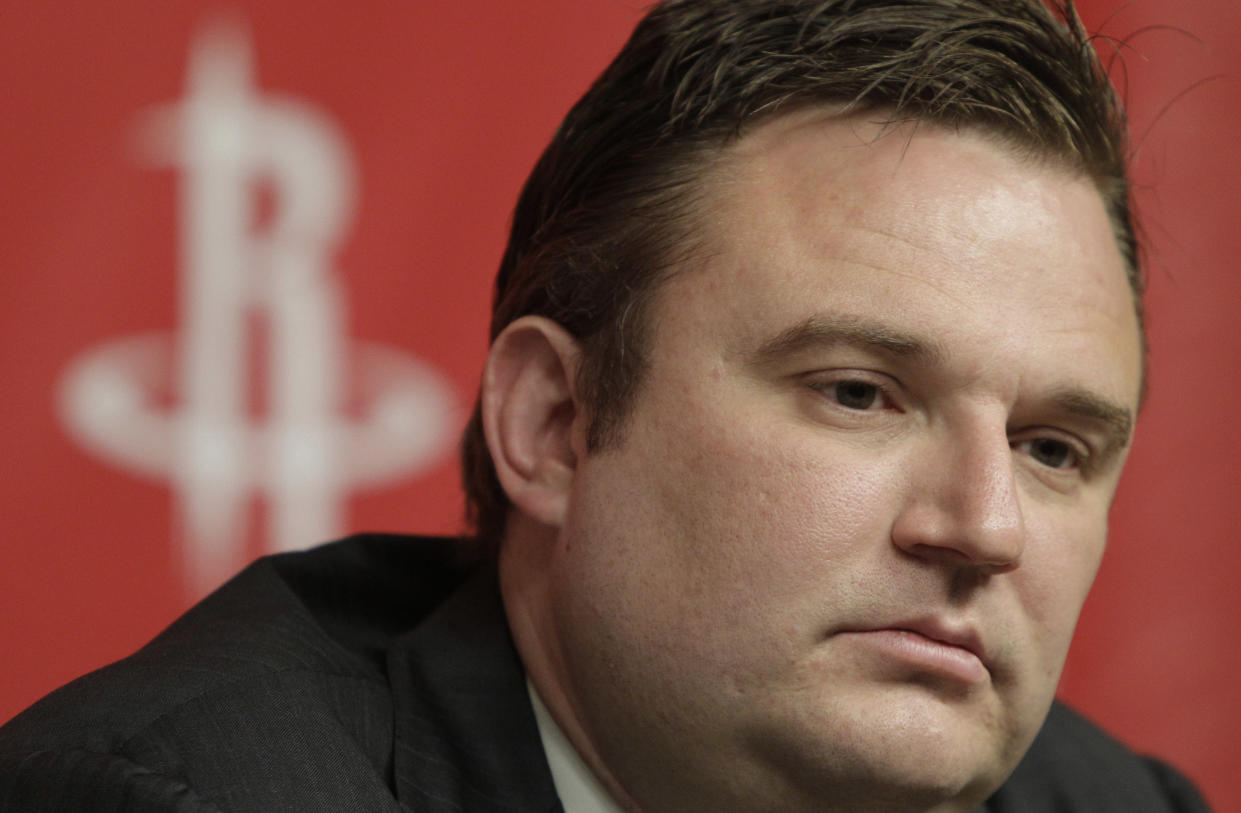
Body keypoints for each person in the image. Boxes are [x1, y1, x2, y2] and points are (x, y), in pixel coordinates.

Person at [0, 0, 1212, 810]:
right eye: (858, 392)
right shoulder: (190, 793)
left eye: (1051, 447)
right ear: (554, 427)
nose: (983, 526)